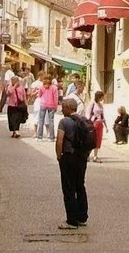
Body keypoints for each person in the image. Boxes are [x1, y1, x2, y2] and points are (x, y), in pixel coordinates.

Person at [55, 98, 89, 229]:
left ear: (69, 108)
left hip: (68, 157)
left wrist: (59, 156)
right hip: (81, 158)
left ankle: (72, 221)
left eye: (63, 107)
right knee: (80, 186)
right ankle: (82, 217)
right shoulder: (84, 121)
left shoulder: (64, 122)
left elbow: (59, 141)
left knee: (69, 188)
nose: (62, 110)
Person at [86, 91, 108, 162]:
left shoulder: (101, 105)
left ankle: (95, 156)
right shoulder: (92, 104)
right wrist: (88, 123)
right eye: (102, 96)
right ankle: (88, 155)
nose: (103, 98)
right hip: (93, 123)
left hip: (99, 123)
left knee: (98, 140)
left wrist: (106, 125)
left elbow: (102, 116)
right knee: (91, 139)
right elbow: (88, 113)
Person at [36, 75, 59, 141]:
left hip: (43, 104)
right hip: (51, 105)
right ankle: (51, 137)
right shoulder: (54, 88)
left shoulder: (42, 87)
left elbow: (39, 95)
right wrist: (56, 106)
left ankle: (40, 136)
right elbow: (56, 98)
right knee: (51, 121)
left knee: (41, 120)